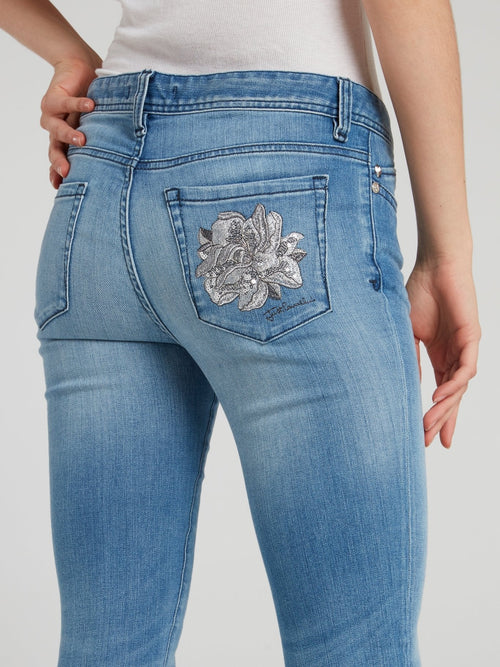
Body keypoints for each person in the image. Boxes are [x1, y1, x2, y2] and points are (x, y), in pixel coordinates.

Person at [1, 0, 481, 665]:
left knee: (107, 649)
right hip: (282, 170)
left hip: (100, 185)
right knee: (355, 650)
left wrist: (69, 57)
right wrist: (447, 255)